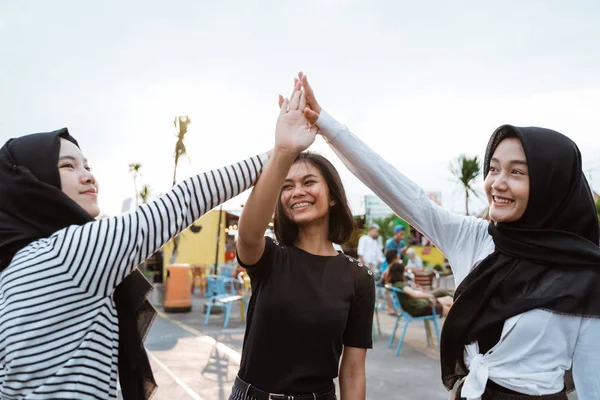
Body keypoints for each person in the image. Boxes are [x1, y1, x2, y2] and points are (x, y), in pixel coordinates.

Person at [297, 72, 600, 399]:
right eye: (494, 168)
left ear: (551, 186)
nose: (497, 183)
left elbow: (592, 384)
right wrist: (328, 126)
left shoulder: (584, 275)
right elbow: (403, 193)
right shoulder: (477, 239)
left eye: (516, 172)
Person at [0, 129, 268, 399]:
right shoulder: (65, 253)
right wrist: (278, 153)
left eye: (87, 165)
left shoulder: (13, 266)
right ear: (30, 182)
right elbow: (184, 201)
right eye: (67, 165)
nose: (89, 175)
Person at [231, 82, 375, 400]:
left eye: (309, 182)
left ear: (334, 197)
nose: (297, 191)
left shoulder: (358, 278)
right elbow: (247, 233)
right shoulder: (269, 257)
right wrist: (284, 149)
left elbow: (352, 369)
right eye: (287, 186)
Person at [387, 259, 453, 317]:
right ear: (401, 273)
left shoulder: (395, 285)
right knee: (450, 309)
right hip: (420, 309)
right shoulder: (400, 285)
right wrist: (430, 296)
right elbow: (414, 295)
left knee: (449, 300)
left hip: (421, 306)